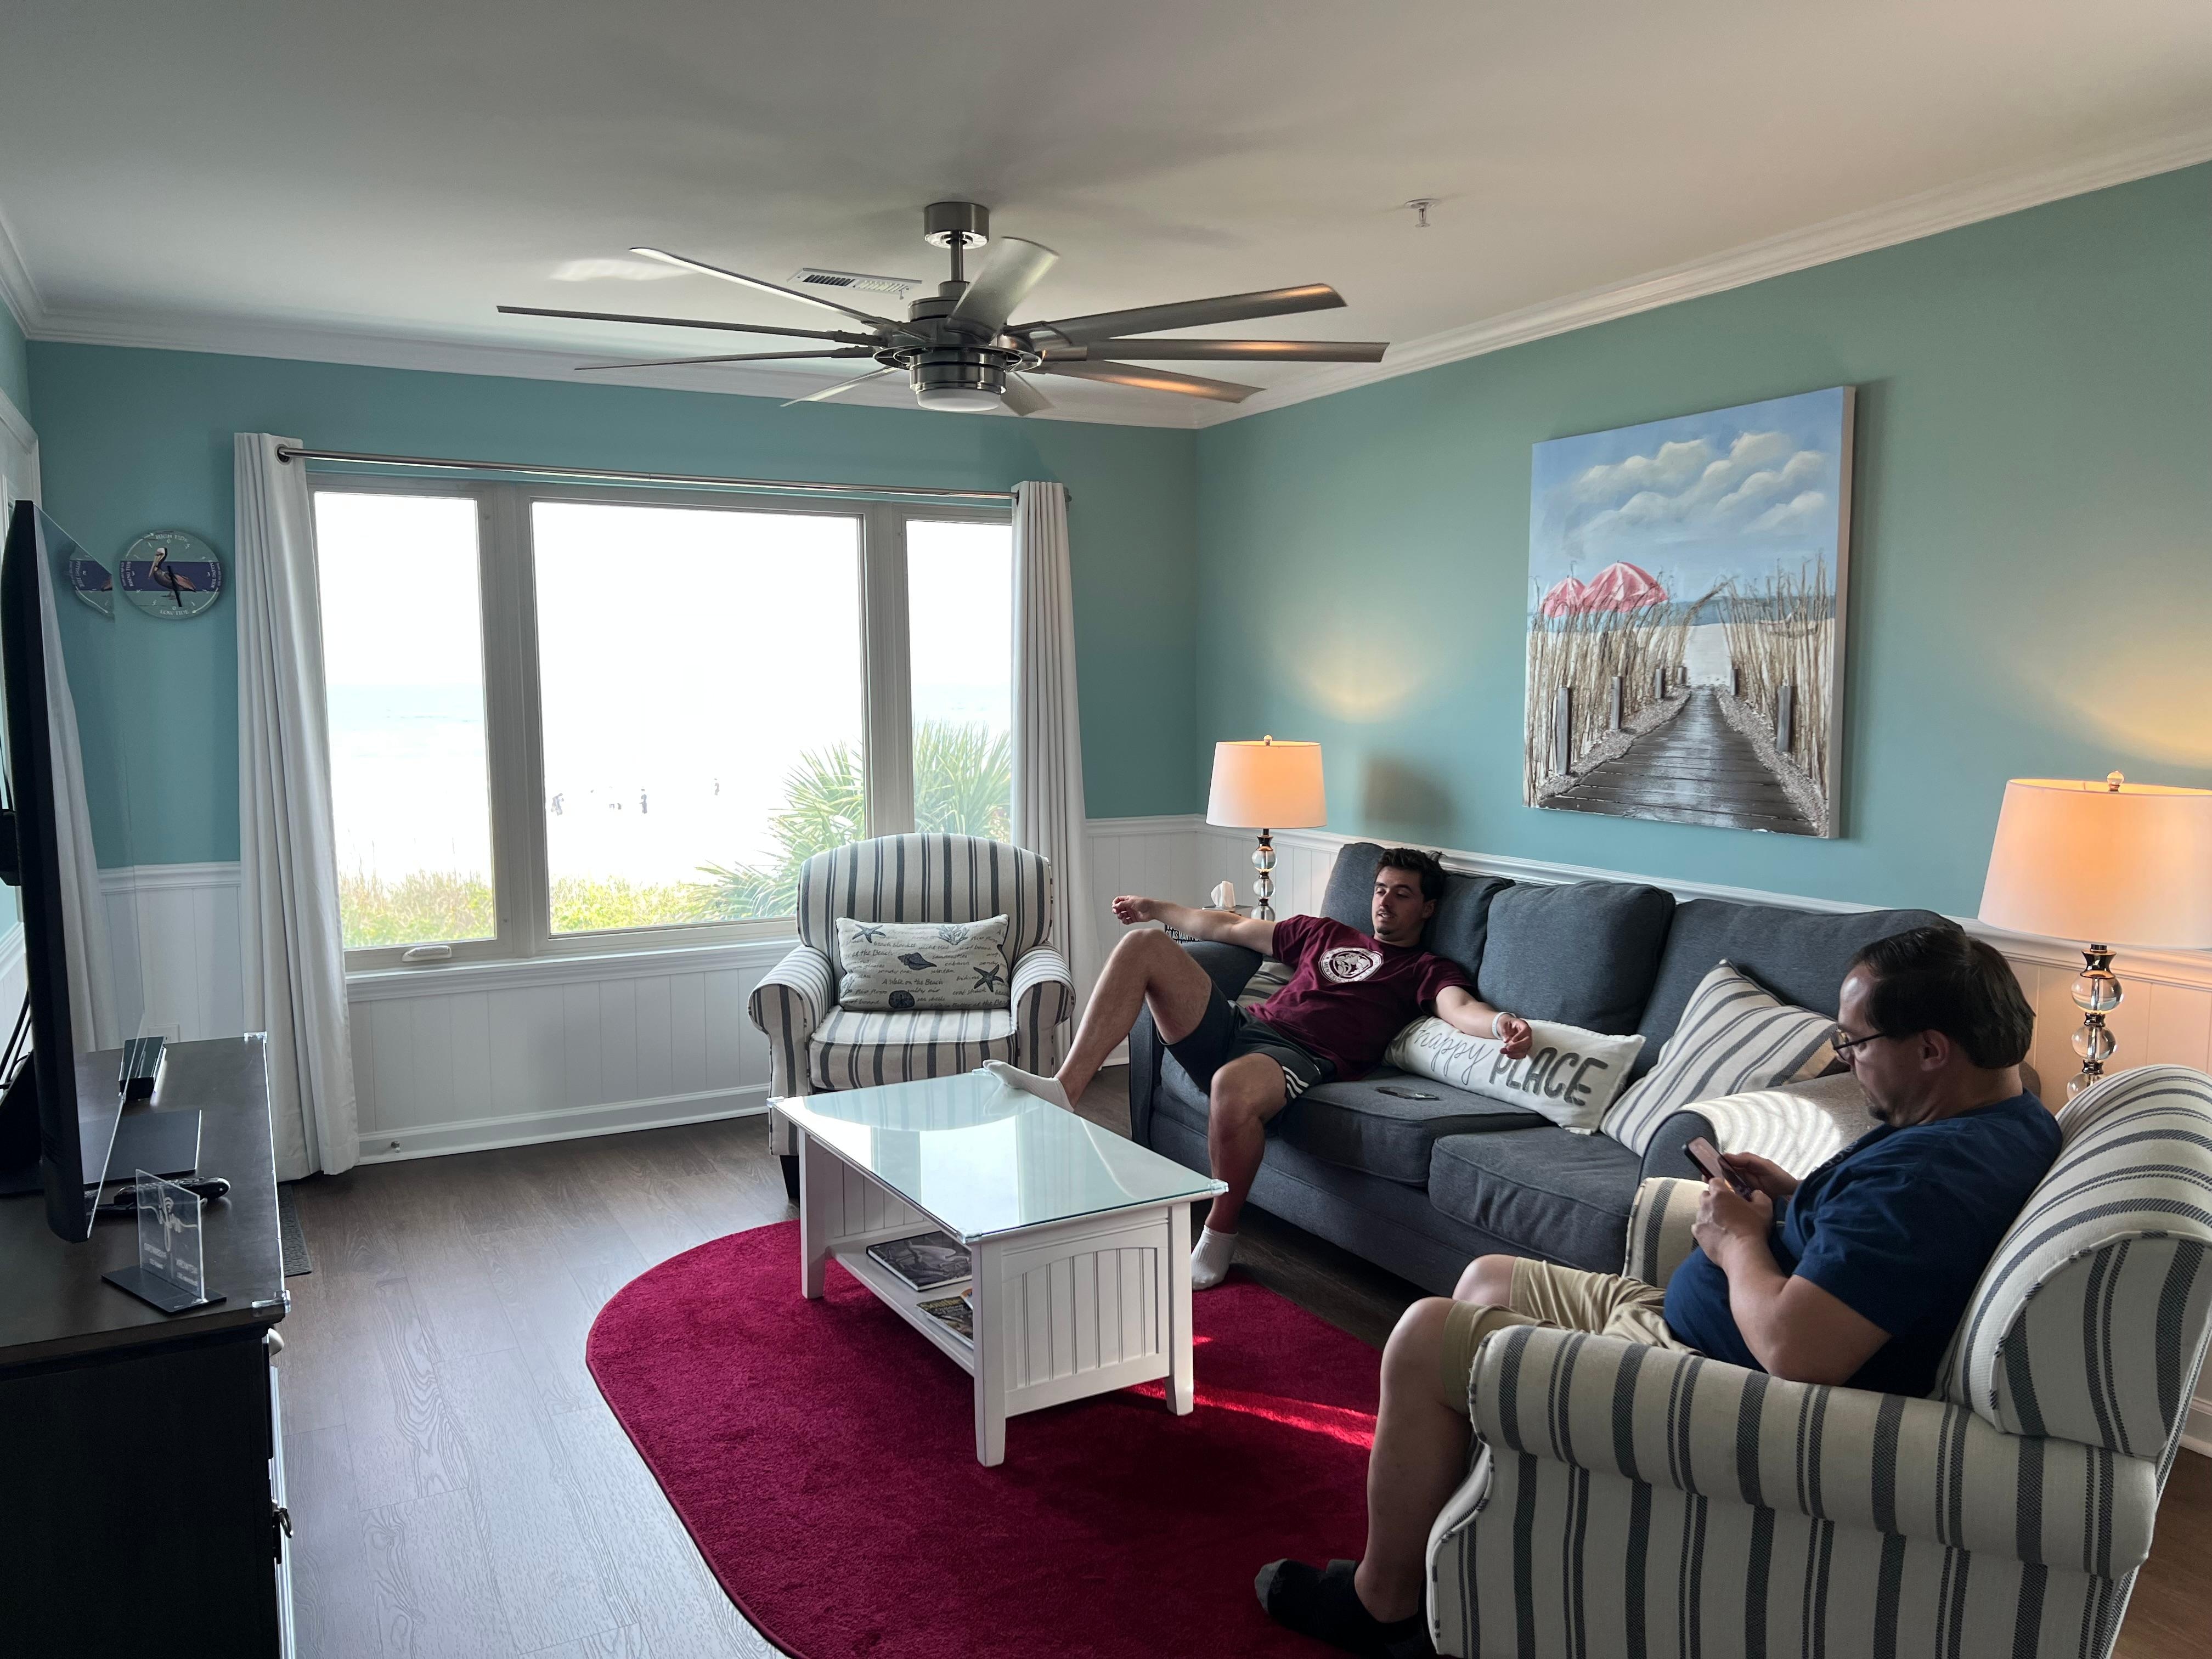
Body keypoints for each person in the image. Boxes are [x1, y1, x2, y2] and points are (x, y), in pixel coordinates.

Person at [1256, 923, 2060, 1659]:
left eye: (1854, 1042)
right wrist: (1791, 1200)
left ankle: (1383, 1606)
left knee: (1426, 1334)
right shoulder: (1992, 1117)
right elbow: (1871, 1247)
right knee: (1483, 1279)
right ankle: (1467, 1561)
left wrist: (1741, 1241)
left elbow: (1798, 1349)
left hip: (1716, 1377)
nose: (1846, 1059)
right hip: (1696, 1320)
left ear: (1931, 1048)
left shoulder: (1932, 1176)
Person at [986, 848, 1533, 1289]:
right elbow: (1223, 925)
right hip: (1243, 1025)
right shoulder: (1325, 933)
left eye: (1403, 894)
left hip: (1299, 1056)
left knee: (1231, 1084)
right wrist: (1156, 907)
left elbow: (1461, 1010)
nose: (1385, 902)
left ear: (1428, 909)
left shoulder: (1427, 969)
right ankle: (1066, 1090)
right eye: (1380, 889)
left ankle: (1220, 1235)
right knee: (1145, 945)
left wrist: (1502, 1024)